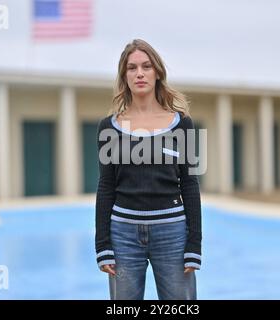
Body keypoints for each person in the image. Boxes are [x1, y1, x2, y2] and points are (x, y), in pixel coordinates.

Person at [95, 39, 202, 300]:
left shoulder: (183, 124)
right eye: (132, 68)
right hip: (123, 237)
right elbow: (106, 186)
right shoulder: (108, 127)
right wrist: (103, 244)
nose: (139, 73)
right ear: (124, 75)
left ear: (157, 73)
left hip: (173, 233)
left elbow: (190, 183)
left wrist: (194, 243)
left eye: (146, 66)